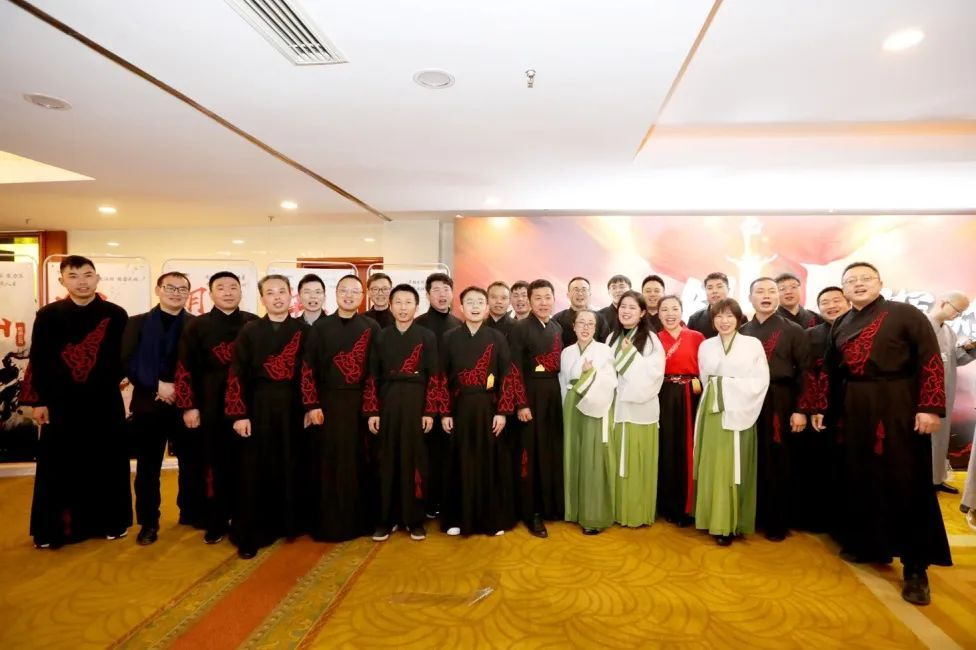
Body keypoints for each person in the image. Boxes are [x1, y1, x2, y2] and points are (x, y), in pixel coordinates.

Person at [828, 262, 949, 606]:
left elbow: (930, 360)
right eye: (851, 281)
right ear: (844, 289)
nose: (858, 284)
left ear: (880, 282)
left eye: (865, 278)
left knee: (906, 481)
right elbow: (834, 372)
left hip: (898, 404)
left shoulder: (905, 314)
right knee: (862, 477)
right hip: (856, 407)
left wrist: (930, 407)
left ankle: (916, 567)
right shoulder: (841, 323)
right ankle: (871, 544)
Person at [21, 256, 131, 548]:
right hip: (60, 402)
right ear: (62, 281)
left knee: (107, 461)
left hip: (103, 400)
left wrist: (109, 380)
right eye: (73, 276)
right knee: (58, 464)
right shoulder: (48, 315)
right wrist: (40, 401)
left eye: (87, 274)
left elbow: (123, 356)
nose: (82, 281)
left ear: (97, 278)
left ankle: (111, 522)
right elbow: (39, 360)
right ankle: (53, 530)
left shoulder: (116, 314)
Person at [224, 275, 307, 559]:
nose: (277, 297)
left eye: (282, 291)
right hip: (258, 405)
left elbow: (311, 372)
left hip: (293, 406)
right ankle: (255, 530)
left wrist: (311, 407)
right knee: (254, 468)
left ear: (290, 295)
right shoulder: (250, 331)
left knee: (291, 463)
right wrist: (239, 414)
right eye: (270, 293)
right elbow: (237, 372)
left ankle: (288, 524)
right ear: (262, 299)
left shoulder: (303, 330)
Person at [175, 271, 258, 545]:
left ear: (241, 291)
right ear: (210, 293)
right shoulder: (197, 326)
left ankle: (245, 518)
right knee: (214, 464)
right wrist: (189, 407)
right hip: (210, 403)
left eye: (233, 287)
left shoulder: (253, 323)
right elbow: (184, 367)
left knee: (246, 465)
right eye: (221, 288)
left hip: (248, 407)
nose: (228, 292)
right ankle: (217, 520)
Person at [302, 274, 380, 542]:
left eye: (355, 291)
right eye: (344, 290)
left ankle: (359, 522)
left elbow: (374, 372)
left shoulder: (371, 327)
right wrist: (312, 404)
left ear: (362, 296)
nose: (349, 295)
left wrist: (372, 409)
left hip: (359, 405)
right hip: (327, 404)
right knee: (327, 461)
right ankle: (328, 523)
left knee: (359, 461)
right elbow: (308, 369)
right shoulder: (320, 327)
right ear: (335, 294)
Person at [122, 272, 197, 545]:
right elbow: (127, 360)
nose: (176, 293)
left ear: (188, 293)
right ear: (158, 290)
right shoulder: (137, 323)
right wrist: (157, 385)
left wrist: (179, 389)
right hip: (148, 405)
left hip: (185, 405)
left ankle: (190, 512)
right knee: (148, 467)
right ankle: (148, 522)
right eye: (170, 288)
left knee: (191, 463)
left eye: (182, 289)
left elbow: (200, 364)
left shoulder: (195, 324)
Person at [441, 286, 519, 537]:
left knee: (490, 463)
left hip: (489, 409)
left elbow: (507, 376)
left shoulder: (497, 338)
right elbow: (441, 378)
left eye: (479, 302)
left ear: (486, 308)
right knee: (459, 461)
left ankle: (492, 520)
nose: (475, 307)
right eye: (470, 302)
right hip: (459, 408)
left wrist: (503, 411)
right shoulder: (449, 338)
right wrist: (445, 413)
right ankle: (457, 518)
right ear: (460, 307)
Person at [366, 284, 442, 542]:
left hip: (416, 402)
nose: (402, 307)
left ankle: (414, 519)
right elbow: (372, 375)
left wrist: (429, 411)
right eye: (397, 302)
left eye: (408, 302)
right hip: (387, 402)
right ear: (390, 306)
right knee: (386, 460)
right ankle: (385, 519)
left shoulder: (426, 336)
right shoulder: (381, 335)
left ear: (416, 306)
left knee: (415, 459)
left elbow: (435, 376)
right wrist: (372, 411)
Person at [740, 277, 812, 541]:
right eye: (760, 291)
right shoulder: (742, 331)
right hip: (747, 399)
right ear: (750, 298)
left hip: (781, 399)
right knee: (749, 456)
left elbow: (805, 372)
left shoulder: (794, 330)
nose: (766, 296)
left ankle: (777, 521)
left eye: (772, 291)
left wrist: (801, 409)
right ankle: (750, 516)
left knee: (778, 459)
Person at [693, 298, 769, 546]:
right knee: (713, 463)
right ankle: (711, 518)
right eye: (718, 316)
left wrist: (728, 386)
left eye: (729, 316)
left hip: (739, 408)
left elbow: (760, 380)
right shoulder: (706, 345)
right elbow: (705, 377)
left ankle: (731, 522)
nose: (724, 321)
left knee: (733, 463)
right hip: (712, 409)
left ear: (738, 319)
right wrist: (720, 387)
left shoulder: (752, 344)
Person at [509, 279, 563, 537]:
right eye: (538, 298)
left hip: (552, 395)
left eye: (547, 297)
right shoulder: (519, 328)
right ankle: (531, 512)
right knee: (530, 454)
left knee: (550, 451)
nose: (543, 302)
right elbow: (514, 369)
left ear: (554, 299)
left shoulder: (556, 327)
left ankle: (549, 505)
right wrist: (521, 403)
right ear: (529, 301)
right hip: (530, 395)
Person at [607, 291, 665, 527]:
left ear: (642, 313)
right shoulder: (612, 337)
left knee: (637, 461)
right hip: (615, 407)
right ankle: (616, 510)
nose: (626, 311)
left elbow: (654, 375)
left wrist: (630, 356)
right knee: (616, 457)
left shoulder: (651, 340)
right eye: (623, 306)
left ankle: (637, 512)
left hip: (640, 409)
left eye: (632, 307)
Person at [559, 309, 617, 534]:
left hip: (595, 404)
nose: (585, 327)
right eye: (581, 323)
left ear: (596, 328)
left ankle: (592, 516)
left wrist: (590, 374)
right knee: (574, 453)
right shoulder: (566, 352)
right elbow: (563, 381)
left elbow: (611, 380)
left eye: (590, 323)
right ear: (573, 326)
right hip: (572, 405)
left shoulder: (604, 350)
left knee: (592, 457)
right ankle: (574, 510)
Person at [801, 285, 850, 534]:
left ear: (848, 302)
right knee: (819, 464)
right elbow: (806, 374)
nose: (831, 306)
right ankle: (819, 519)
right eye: (825, 302)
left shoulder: (859, 330)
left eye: (836, 300)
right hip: (819, 410)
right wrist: (812, 408)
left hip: (853, 405)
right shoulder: (810, 335)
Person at [414, 272, 463, 519]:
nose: (442, 294)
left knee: (450, 451)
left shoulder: (459, 324)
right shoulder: (419, 324)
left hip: (454, 398)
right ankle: (427, 501)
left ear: (452, 293)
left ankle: (447, 501)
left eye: (446, 289)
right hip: (424, 398)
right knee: (427, 451)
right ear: (427, 294)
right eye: (436, 290)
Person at [655, 295, 705, 527]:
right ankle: (666, 504)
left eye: (674, 309)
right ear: (658, 314)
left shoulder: (696, 337)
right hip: (662, 394)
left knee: (687, 448)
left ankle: (687, 505)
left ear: (682, 311)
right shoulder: (654, 339)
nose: (670, 314)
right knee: (666, 446)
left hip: (689, 395)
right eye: (664, 309)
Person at [927, 291, 975, 494]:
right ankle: (921, 482)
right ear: (944, 302)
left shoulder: (948, 331)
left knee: (940, 439)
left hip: (944, 395)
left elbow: (955, 360)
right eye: (957, 310)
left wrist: (969, 349)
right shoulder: (919, 326)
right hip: (923, 396)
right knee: (924, 441)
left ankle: (936, 478)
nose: (958, 315)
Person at [553, 277, 608, 347]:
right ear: (568, 295)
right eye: (576, 290)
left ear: (590, 294)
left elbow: (605, 345)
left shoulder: (600, 319)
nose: (580, 293)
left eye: (584, 290)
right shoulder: (558, 319)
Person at [688, 272, 730, 338]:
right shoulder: (695, 319)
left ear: (728, 290)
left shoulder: (740, 317)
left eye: (719, 287)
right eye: (710, 288)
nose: (714, 291)